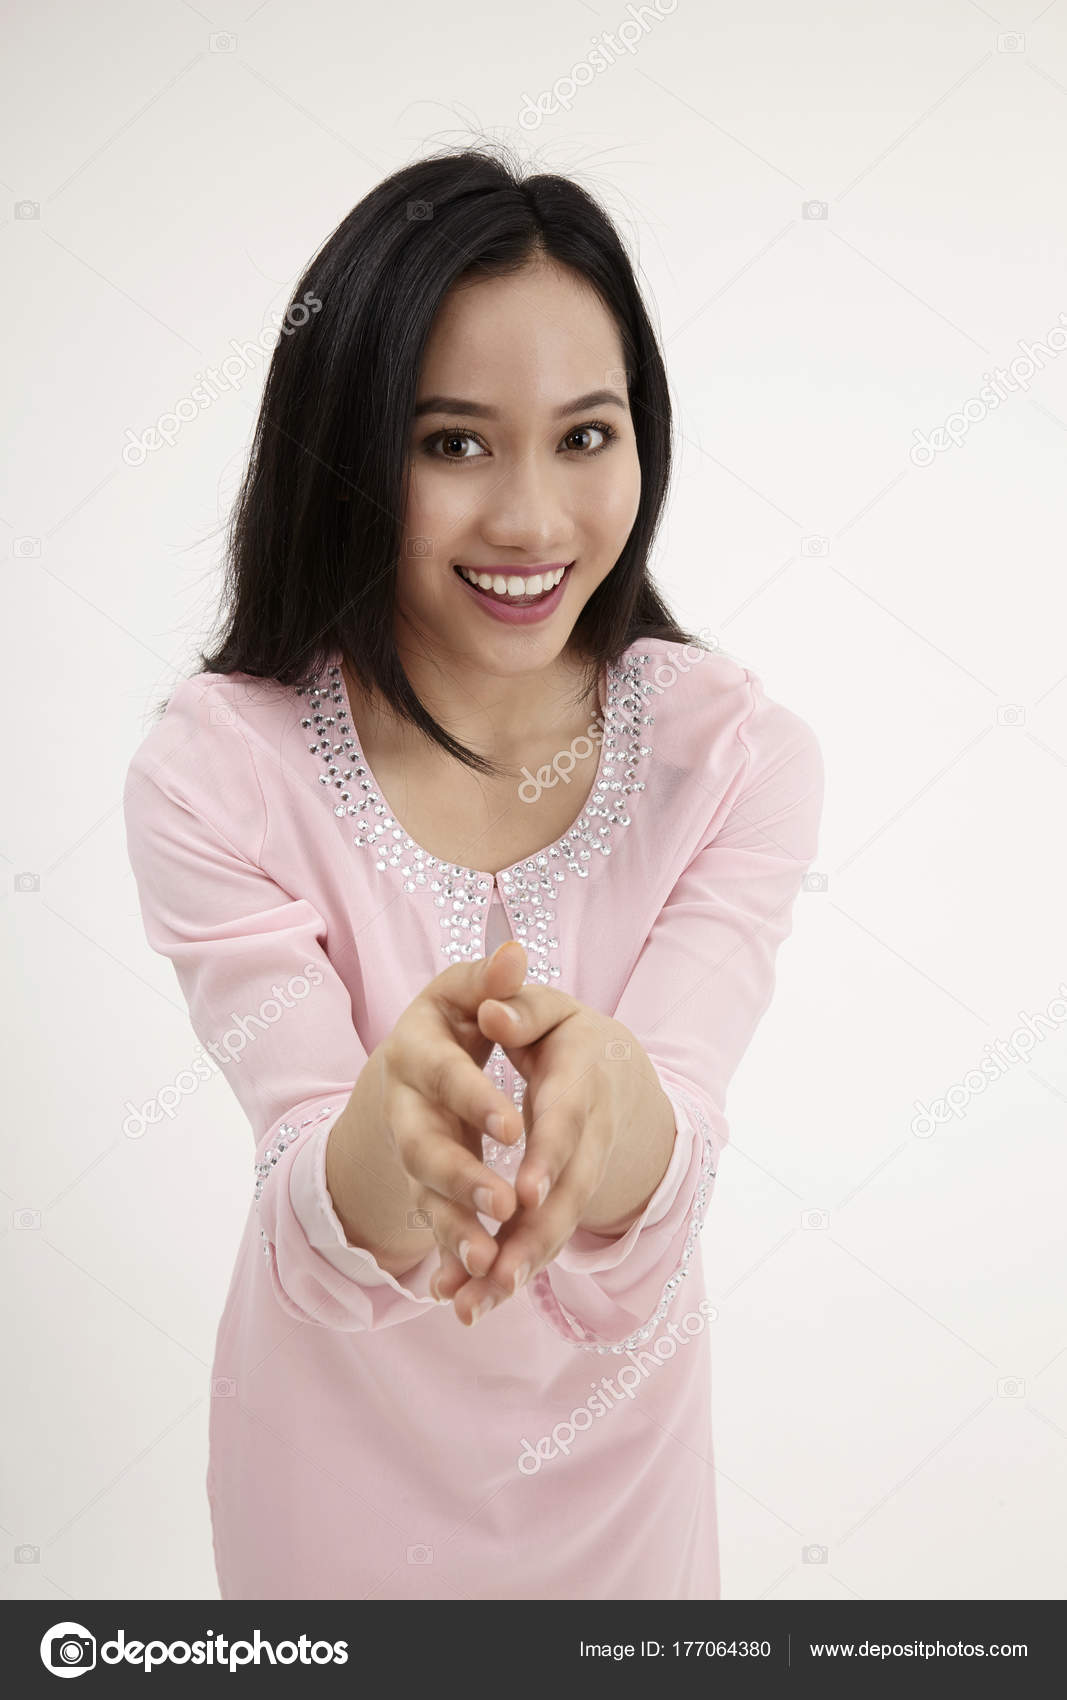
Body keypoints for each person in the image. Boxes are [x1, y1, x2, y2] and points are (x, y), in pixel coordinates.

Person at [123, 145, 824, 1601]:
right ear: (346, 446)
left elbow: (672, 1149)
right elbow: (310, 1188)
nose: (531, 522)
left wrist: (607, 1102)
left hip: (621, 1485)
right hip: (333, 1479)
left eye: (585, 436)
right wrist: (397, 1135)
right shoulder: (222, 768)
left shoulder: (733, 758)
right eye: (453, 444)